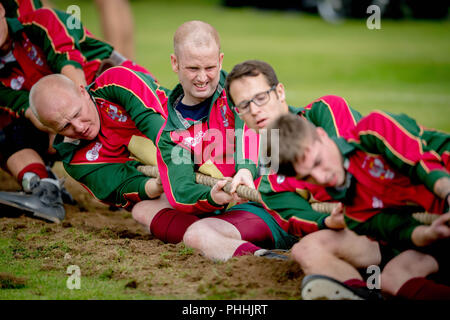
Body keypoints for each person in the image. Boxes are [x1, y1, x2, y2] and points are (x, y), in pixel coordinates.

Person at [180, 59, 365, 262]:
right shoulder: (244, 145)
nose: (254, 110)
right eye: (244, 105)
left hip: (340, 217)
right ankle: (270, 262)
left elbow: (355, 173)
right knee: (197, 234)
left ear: (280, 92)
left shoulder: (323, 113)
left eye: (260, 98)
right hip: (274, 213)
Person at [267, 112, 450, 300]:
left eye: (318, 162)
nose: (321, 178)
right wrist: (430, 234)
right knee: (391, 280)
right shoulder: (353, 213)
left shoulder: (372, 129)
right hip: (440, 226)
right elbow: (402, 232)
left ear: (322, 135)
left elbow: (420, 163)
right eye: (307, 177)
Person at [0, 3, 152, 222]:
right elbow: (31, 112)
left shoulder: (41, 21)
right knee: (9, 133)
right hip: (76, 119)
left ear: (2, 9)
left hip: (112, 96)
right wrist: (61, 126)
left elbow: (73, 73)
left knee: (159, 150)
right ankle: (42, 188)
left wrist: (75, 119)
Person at [29, 66, 169, 213]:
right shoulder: (75, 161)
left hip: (188, 138)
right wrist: (157, 185)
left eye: (77, 113)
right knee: (143, 212)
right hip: (166, 187)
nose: (79, 127)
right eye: (65, 126)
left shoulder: (115, 81)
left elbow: (157, 124)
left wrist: (176, 163)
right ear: (52, 129)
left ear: (83, 92)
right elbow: (120, 187)